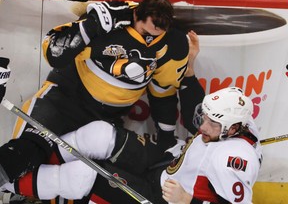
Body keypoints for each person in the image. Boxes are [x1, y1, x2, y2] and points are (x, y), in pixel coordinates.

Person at [0, 0, 205, 188]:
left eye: (155, 37)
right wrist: (92, 25)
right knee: (29, 151)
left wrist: (166, 139)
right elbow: (54, 53)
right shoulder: (108, 23)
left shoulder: (172, 43)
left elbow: (162, 92)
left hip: (106, 117)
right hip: (63, 100)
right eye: (145, 33)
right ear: (136, 16)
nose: (149, 41)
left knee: (109, 172)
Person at [1, 87, 262, 204]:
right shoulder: (239, 118)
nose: (203, 126)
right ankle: (26, 163)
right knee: (99, 135)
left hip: (163, 198)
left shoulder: (235, 160)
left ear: (232, 129)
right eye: (205, 117)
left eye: (212, 123)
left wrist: (188, 201)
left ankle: (6, 184)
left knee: (83, 176)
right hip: (166, 165)